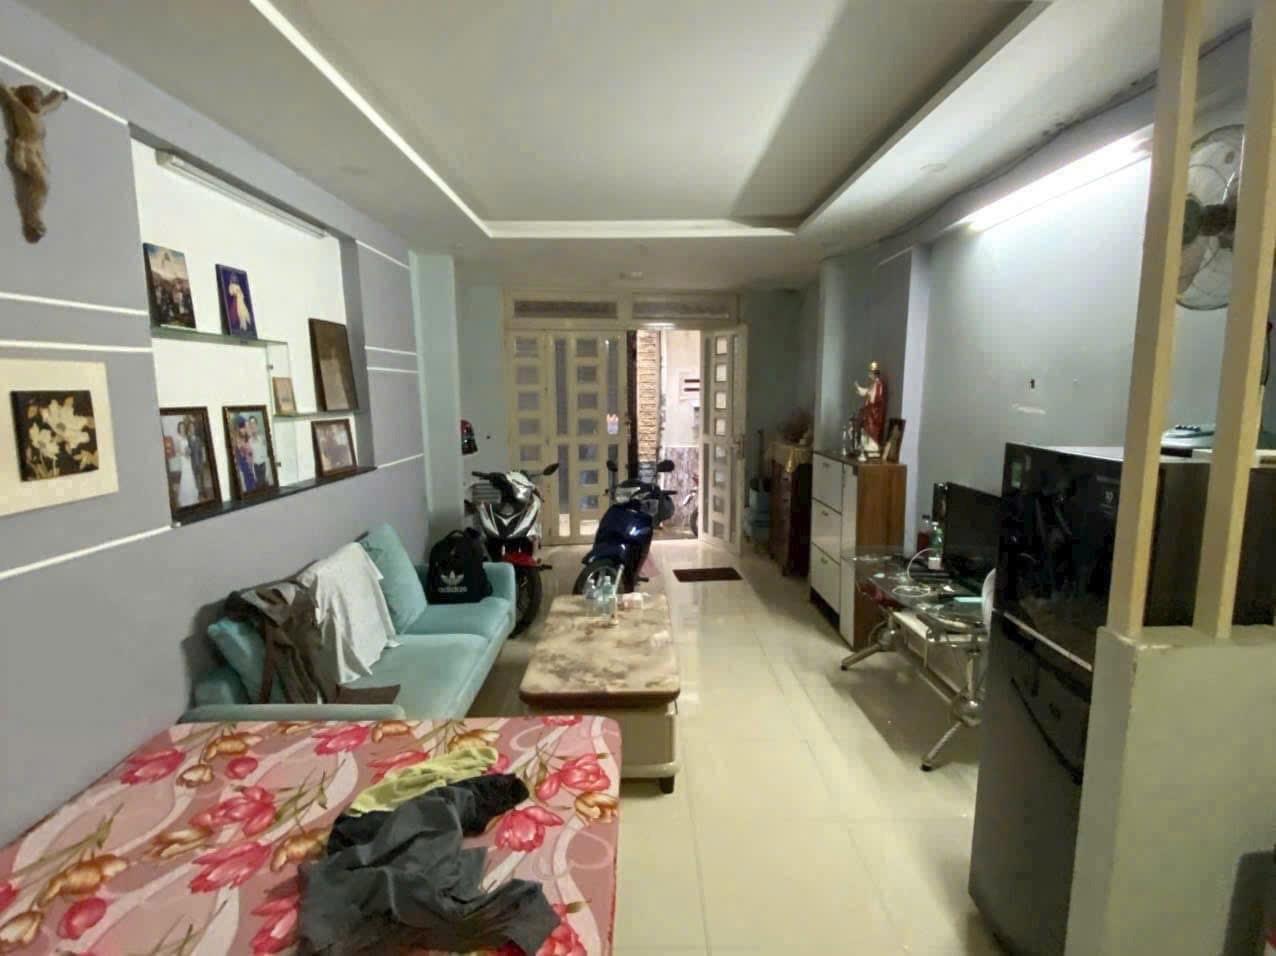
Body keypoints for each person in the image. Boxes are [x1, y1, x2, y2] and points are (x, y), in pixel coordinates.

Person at [854, 360, 887, 458]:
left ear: (875, 374)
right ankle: (867, 444)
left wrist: (868, 394)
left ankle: (873, 445)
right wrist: (859, 388)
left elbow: (875, 397)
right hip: (869, 410)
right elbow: (867, 391)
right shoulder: (873, 383)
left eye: (871, 373)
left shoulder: (879, 384)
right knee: (866, 426)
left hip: (874, 411)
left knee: (871, 428)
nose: (869, 375)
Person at [174, 420, 199, 508]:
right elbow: (177, 450)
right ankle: (185, 497)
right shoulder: (178, 438)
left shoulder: (186, 437)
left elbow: (189, 448)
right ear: (179, 429)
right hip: (183, 459)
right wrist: (184, 453)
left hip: (188, 459)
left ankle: (192, 495)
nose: (182, 429)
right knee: (185, 475)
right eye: (181, 427)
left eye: (183, 427)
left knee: (190, 474)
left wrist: (189, 451)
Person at [234, 416, 256, 492]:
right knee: (249, 479)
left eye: (246, 427)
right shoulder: (237, 440)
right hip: (243, 463)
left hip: (248, 462)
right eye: (243, 427)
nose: (246, 429)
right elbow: (243, 451)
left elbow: (250, 451)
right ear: (238, 428)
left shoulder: (246, 437)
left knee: (251, 478)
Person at [248, 417, 271, 487]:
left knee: (266, 487)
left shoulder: (262, 438)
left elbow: (266, 455)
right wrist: (254, 473)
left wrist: (267, 472)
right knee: (258, 487)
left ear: (256, 425)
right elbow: (252, 457)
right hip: (256, 467)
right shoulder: (249, 441)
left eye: (254, 423)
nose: (252, 425)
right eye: (251, 424)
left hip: (263, 466)